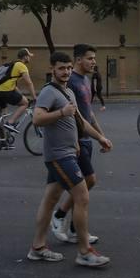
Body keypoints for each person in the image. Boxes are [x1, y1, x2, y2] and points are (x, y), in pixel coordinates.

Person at [26, 51, 113, 268]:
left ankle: (37, 248)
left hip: (67, 152)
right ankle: (84, 252)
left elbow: (81, 121)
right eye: (61, 68)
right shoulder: (48, 92)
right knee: (82, 196)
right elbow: (37, 119)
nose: (65, 72)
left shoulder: (68, 92)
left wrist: (100, 137)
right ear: (52, 69)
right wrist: (61, 113)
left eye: (67, 68)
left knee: (50, 200)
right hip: (59, 155)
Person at [52, 44, 107, 247]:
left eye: (94, 58)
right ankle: (60, 215)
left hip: (85, 138)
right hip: (75, 141)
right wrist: (76, 140)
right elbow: (72, 115)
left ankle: (74, 228)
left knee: (83, 185)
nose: (94, 62)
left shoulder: (85, 80)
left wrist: (101, 135)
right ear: (78, 60)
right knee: (87, 183)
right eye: (90, 58)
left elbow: (88, 112)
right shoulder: (72, 81)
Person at [0, 47, 35, 134]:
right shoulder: (21, 66)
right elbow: (29, 83)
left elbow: (13, 86)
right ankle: (11, 123)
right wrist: (34, 97)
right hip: (5, 92)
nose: (29, 58)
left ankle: (4, 142)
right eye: (29, 56)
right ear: (25, 57)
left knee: (3, 118)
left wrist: (21, 95)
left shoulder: (11, 64)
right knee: (25, 103)